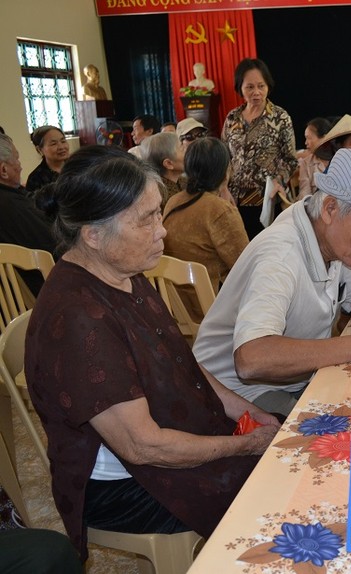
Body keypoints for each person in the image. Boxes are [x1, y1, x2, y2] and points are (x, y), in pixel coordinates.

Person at [25, 145, 280, 561]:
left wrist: (243, 410)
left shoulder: (124, 272)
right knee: (265, 482)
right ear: (92, 234)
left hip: (154, 449)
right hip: (125, 485)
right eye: (147, 220)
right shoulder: (79, 318)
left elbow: (182, 362)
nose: (162, 231)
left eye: (159, 212)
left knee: (282, 444)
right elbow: (144, 447)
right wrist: (244, 445)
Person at [193, 149, 351, 417]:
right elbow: (251, 358)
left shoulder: (330, 235)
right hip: (232, 394)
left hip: (295, 381)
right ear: (330, 208)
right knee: (342, 429)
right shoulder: (281, 255)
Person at [163, 137, 248, 316]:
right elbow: (245, 266)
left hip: (176, 308)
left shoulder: (174, 201)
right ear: (225, 171)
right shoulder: (218, 210)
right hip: (212, 310)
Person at [222, 58, 298, 240]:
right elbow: (224, 156)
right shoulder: (232, 118)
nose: (256, 92)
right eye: (249, 87)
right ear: (240, 87)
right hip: (233, 200)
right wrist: (222, 186)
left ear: (268, 87)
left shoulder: (280, 117)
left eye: (261, 86)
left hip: (267, 201)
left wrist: (279, 180)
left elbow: (290, 159)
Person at [0, 133, 57, 294]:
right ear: (4, 170)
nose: (20, 166)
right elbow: (54, 247)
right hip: (40, 297)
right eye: (17, 160)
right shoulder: (13, 207)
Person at [140, 131, 185, 210]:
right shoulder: (160, 197)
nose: (187, 152)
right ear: (168, 164)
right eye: (182, 149)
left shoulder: (184, 181)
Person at [25, 125, 69, 194]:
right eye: (54, 144)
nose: (61, 147)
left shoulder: (79, 166)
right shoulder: (35, 178)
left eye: (63, 141)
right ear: (39, 150)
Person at [297, 117, 332, 199]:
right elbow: (304, 195)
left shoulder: (340, 159)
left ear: (324, 138)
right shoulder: (305, 163)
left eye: (308, 138)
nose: (306, 143)